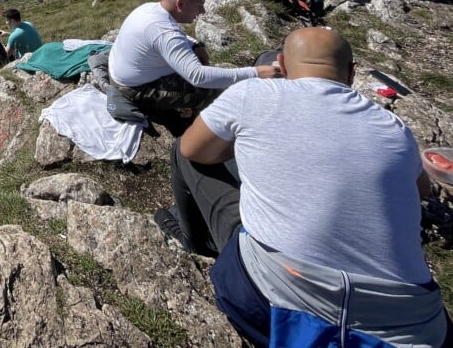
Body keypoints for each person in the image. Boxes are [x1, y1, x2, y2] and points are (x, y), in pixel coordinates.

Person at [163, 27, 449, 347]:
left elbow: (192, 150)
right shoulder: (394, 128)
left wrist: (243, 148)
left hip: (276, 300)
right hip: (416, 326)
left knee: (180, 152)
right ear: (352, 73)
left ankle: (193, 245)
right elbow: (421, 190)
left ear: (282, 66)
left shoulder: (253, 94)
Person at [106, 0, 279, 117]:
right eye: (199, 5)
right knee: (222, 90)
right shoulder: (165, 32)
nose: (202, 11)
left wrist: (195, 44)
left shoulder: (148, 9)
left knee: (205, 69)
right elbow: (198, 76)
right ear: (181, 4)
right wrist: (256, 73)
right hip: (135, 89)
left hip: (120, 73)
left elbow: (172, 37)